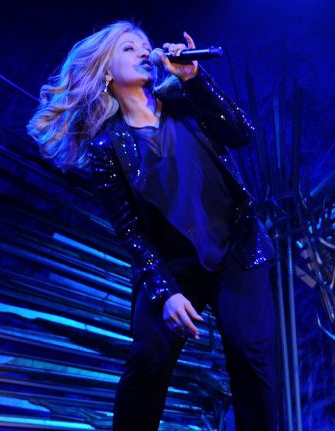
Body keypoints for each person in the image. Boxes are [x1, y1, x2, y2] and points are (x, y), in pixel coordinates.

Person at [27, 21, 278, 431]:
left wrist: (196, 79)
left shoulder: (183, 98)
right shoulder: (106, 147)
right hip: (172, 264)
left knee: (251, 353)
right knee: (148, 357)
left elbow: (240, 133)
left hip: (237, 247)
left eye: (145, 46)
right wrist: (166, 293)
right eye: (129, 48)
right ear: (107, 71)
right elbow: (130, 230)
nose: (144, 52)